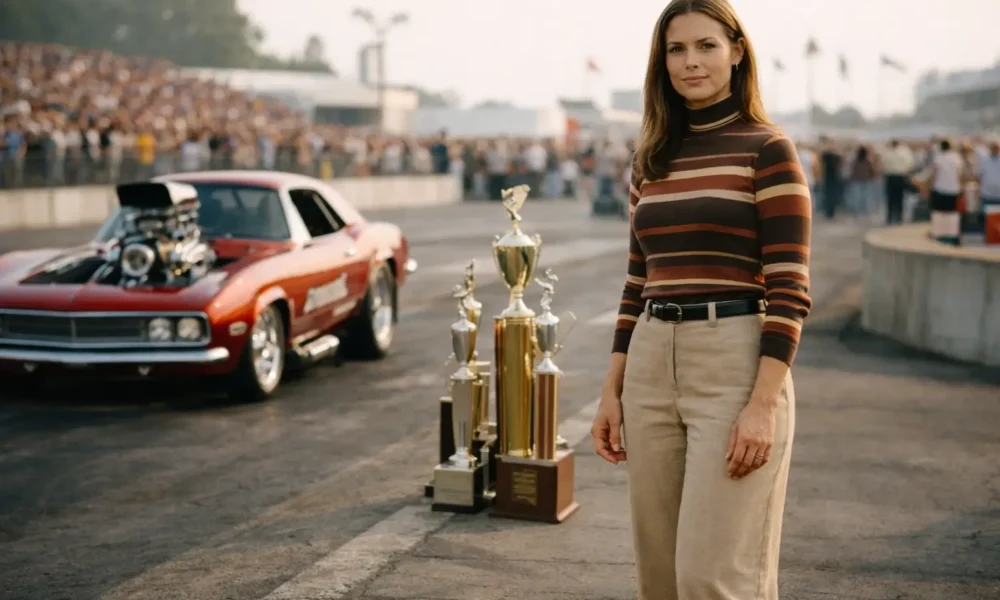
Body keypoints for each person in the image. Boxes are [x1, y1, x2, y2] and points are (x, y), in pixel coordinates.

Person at [589, 0, 812, 598]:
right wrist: (612, 389)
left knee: (714, 579)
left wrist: (762, 404)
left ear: (737, 51)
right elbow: (638, 281)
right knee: (660, 577)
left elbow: (789, 288)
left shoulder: (768, 149)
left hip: (734, 363)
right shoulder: (650, 160)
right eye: (676, 49)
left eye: (706, 46)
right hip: (650, 363)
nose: (691, 62)